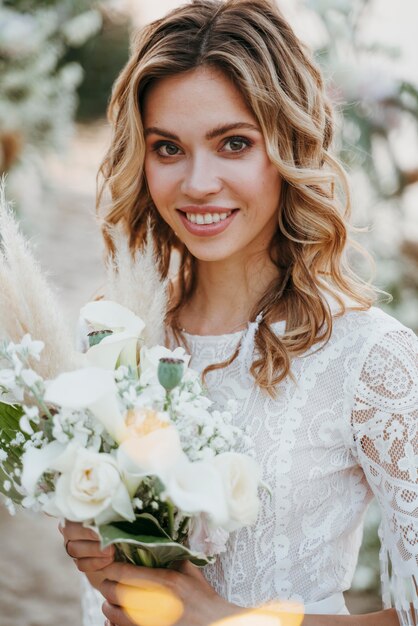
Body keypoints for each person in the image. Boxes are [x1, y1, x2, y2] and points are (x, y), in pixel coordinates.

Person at [60, 0, 418, 625]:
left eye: (233, 143)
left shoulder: (369, 358)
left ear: (290, 147)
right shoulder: (118, 335)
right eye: (167, 148)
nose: (197, 183)